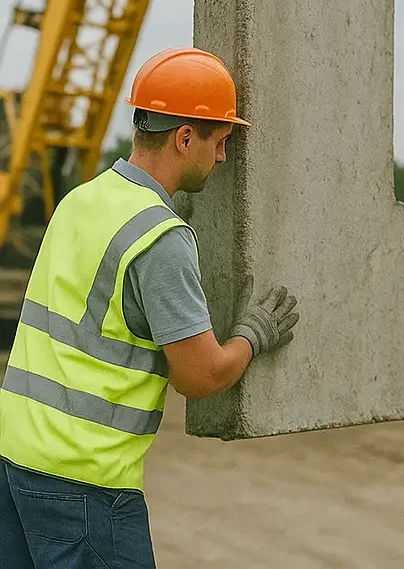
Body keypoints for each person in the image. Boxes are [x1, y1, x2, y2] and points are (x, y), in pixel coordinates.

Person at [0, 47, 299, 569]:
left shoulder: (82, 199)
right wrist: (253, 333)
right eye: (220, 140)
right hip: (85, 486)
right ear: (185, 137)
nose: (224, 157)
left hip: (16, 462)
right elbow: (200, 376)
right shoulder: (159, 237)